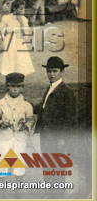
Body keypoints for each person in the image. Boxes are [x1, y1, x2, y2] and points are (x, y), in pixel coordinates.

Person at [34, 57, 77, 187]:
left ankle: (58, 195)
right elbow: (44, 108)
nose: (51, 74)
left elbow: (70, 118)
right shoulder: (50, 88)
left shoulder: (67, 92)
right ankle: (50, 192)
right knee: (47, 165)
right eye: (49, 71)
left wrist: (62, 138)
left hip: (57, 137)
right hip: (46, 135)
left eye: (55, 71)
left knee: (57, 167)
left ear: (62, 72)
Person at [0, 73, 35, 181]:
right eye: (12, 86)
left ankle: (18, 192)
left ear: (22, 87)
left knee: (19, 163)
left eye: (18, 86)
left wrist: (27, 126)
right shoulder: (1, 103)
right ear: (7, 86)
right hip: (5, 137)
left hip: (20, 138)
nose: (15, 89)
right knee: (2, 163)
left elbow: (31, 119)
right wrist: (1, 124)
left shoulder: (26, 105)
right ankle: (1, 193)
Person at [0, 0, 35, 76]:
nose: (22, 10)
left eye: (23, 8)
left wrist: (21, 22)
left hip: (19, 41)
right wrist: (0, 44)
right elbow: (0, 32)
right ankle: (9, 79)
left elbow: (25, 34)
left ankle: (19, 79)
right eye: (20, 9)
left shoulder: (24, 19)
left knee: (20, 61)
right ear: (15, 9)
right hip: (9, 41)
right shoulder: (6, 18)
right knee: (9, 61)